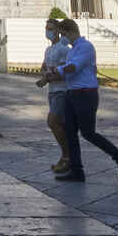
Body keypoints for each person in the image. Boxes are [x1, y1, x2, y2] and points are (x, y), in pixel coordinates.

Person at [54, 19, 118, 183]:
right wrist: (52, 74)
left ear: (70, 32)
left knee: (88, 133)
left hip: (85, 94)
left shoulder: (85, 47)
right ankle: (77, 171)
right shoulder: (72, 50)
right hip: (72, 93)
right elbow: (68, 71)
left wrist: (58, 69)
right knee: (70, 133)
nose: (62, 37)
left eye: (63, 33)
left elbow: (74, 67)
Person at [34, 18, 73, 174]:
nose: (48, 32)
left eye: (50, 29)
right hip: (52, 91)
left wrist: (46, 78)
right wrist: (46, 75)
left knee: (52, 122)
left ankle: (67, 156)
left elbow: (65, 72)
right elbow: (43, 68)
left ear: (58, 30)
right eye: (46, 28)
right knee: (59, 125)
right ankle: (67, 157)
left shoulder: (64, 49)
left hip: (62, 91)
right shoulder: (48, 50)